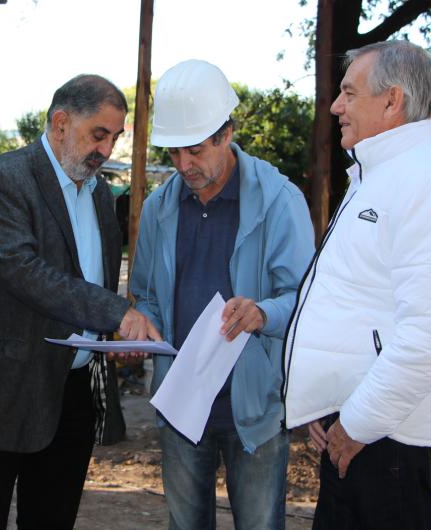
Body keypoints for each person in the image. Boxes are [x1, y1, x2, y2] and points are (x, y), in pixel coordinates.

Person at [282, 40, 431, 529]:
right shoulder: (384, 176)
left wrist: (354, 422)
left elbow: (429, 336)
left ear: (392, 101)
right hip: (371, 432)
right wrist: (331, 402)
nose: (336, 106)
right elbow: (362, 301)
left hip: (393, 442)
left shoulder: (428, 184)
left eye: (348, 93)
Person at [0, 74, 160, 529]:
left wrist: (118, 333)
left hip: (72, 389)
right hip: (1, 388)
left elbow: (95, 278)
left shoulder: (99, 192)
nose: (107, 150)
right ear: (60, 123)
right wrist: (116, 313)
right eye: (98, 134)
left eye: (115, 138)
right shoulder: (5, 178)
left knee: (53, 518)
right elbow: (26, 273)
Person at [130, 59, 315, 530]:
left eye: (194, 151)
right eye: (173, 153)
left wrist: (261, 312)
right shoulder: (158, 207)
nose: (183, 166)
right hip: (181, 404)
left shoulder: (279, 201)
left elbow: (308, 299)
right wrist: (140, 325)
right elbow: (146, 294)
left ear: (226, 133)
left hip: (252, 408)